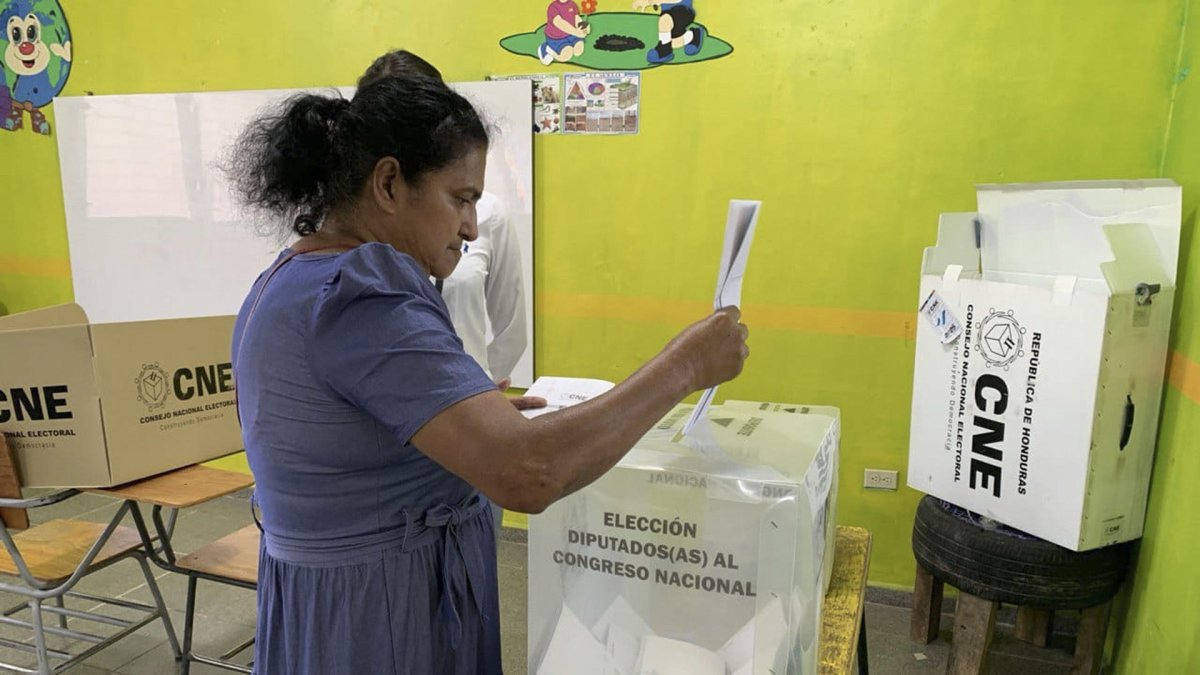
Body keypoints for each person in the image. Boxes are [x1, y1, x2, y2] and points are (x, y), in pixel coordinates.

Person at [228, 71, 748, 674]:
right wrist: (685, 365)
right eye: (461, 198)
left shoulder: (296, 277)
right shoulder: (363, 296)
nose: (471, 228)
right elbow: (528, 473)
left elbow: (350, 429)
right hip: (381, 618)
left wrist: (467, 416)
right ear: (390, 183)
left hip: (343, 601)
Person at [359, 50, 530, 534]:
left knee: (470, 568)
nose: (468, 225)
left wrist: (476, 394)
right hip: (390, 448)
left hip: (469, 424)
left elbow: (511, 324)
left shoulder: (483, 217)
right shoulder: (347, 251)